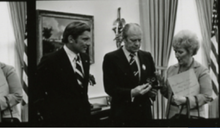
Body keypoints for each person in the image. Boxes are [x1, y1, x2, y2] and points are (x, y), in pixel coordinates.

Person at [34, 21, 92, 126]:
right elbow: (37, 92)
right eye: (85, 39)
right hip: (59, 121)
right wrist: (48, 116)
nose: (89, 43)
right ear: (71, 39)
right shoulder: (50, 60)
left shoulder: (85, 58)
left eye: (89, 39)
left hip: (84, 120)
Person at [103, 23, 158, 126]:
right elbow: (109, 88)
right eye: (133, 40)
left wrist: (152, 90)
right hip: (122, 115)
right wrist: (131, 93)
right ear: (124, 39)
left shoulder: (147, 56)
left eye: (139, 40)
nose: (137, 44)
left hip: (144, 114)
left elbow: (152, 79)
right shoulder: (111, 58)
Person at [160, 30, 213, 119]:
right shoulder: (171, 70)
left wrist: (186, 100)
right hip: (172, 118)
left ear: (191, 52)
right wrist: (162, 87)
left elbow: (207, 96)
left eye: (180, 52)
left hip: (193, 119)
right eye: (175, 51)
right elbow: (170, 96)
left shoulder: (202, 71)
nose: (176, 55)